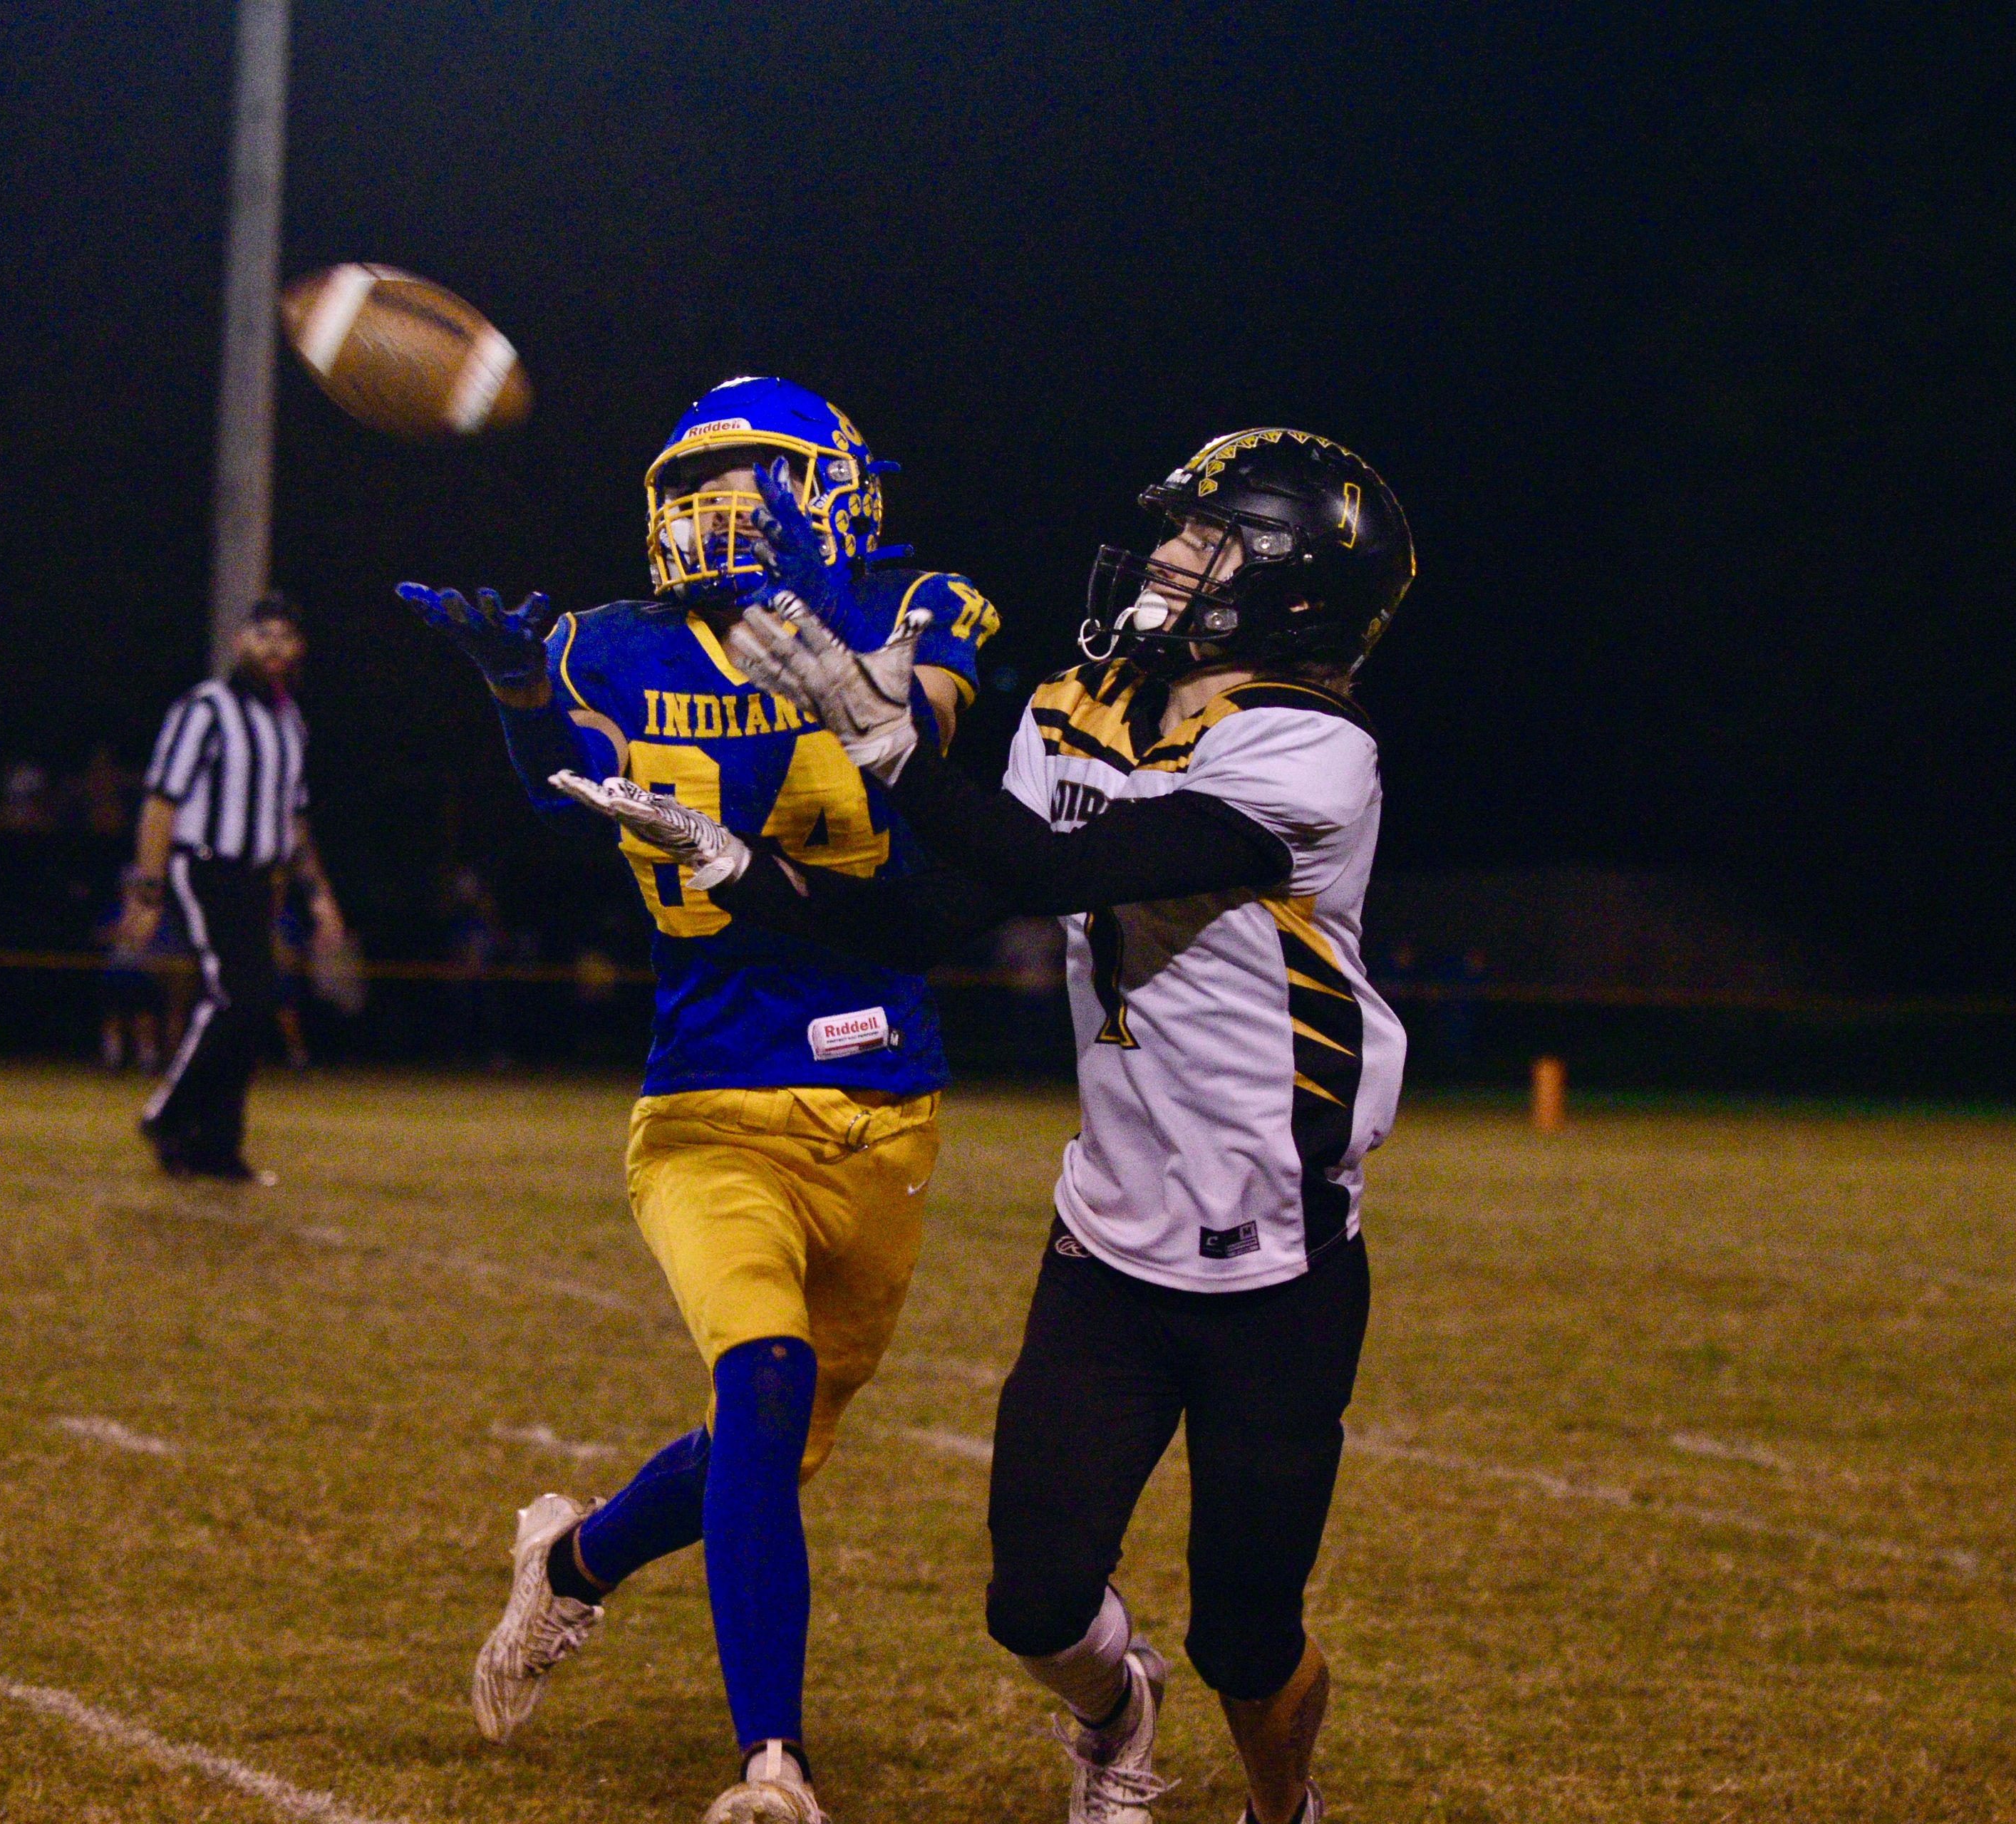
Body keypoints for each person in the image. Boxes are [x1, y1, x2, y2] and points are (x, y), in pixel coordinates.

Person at [570, 428, 1415, 1824]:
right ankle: (1113, 1714)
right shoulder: (1080, 709)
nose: (1163, 562)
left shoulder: (1313, 755)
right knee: (1031, 1598)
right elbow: (951, 908)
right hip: (1111, 1243)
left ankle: (1286, 1806)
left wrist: (889, 742)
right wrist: (750, 877)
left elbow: (1069, 865)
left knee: (1245, 1636)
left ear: (1293, 593)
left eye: (1203, 546)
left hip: (1280, 1265)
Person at [398, 376, 999, 1824]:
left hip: (886, 1109)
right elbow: (563, 792)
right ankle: (772, 1765)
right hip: (708, 1103)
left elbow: (932, 736)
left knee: (767, 1445)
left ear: (837, 486)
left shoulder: (923, 604)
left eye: (751, 475)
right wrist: (517, 695)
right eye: (693, 480)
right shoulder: (604, 644)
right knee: (764, 1377)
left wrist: (831, 651)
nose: (710, 507)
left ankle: (573, 1564)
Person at [120, 592, 347, 1181]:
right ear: (240, 643)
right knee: (235, 997)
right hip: (204, 867)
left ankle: (214, 1147)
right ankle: (169, 1115)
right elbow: (161, 800)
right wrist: (147, 890)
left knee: (252, 1005)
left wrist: (318, 894)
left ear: (298, 649)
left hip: (258, 877)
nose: (273, 648)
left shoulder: (290, 722)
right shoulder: (206, 708)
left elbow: (293, 819)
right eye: (262, 636)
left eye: (284, 638)